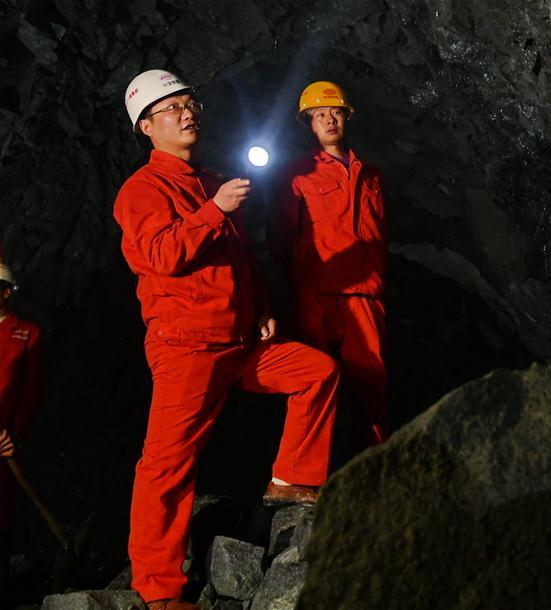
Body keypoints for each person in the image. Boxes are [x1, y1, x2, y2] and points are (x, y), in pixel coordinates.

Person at [115, 69, 340, 610]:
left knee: (318, 372)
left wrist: (262, 308)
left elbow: (243, 258)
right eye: (171, 108)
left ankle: (291, 479)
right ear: (146, 126)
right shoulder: (142, 191)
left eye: (189, 103)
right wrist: (214, 210)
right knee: (167, 464)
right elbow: (162, 256)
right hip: (188, 345)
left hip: (240, 342)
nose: (187, 113)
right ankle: (157, 589)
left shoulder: (210, 179)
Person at [269, 81, 388, 454]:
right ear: (309, 123)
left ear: (347, 116)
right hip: (316, 297)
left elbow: (381, 234)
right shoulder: (296, 175)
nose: (328, 119)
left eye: (335, 112)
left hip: (366, 296)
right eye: (319, 114)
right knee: (315, 388)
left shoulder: (371, 175)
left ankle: (373, 464)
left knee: (372, 388)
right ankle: (309, 473)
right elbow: (281, 236)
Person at [0, 256, 41, 594]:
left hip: (3, 442)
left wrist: (15, 435)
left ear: (6, 292)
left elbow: (31, 392)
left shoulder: (27, 333)